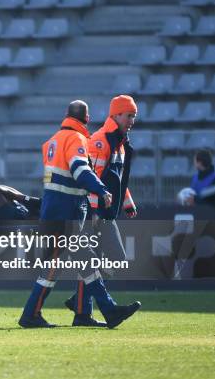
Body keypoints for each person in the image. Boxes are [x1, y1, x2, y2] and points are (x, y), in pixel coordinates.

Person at [18, 100, 141, 329]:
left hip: (54, 211)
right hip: (68, 212)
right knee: (81, 262)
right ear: (86, 119)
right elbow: (80, 170)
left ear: (66, 115)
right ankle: (106, 310)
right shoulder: (76, 139)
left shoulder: (52, 141)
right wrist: (100, 189)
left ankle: (37, 314)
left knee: (63, 267)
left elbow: (51, 179)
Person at [64, 95, 139, 327]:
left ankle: (79, 302)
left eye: (133, 116)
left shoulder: (118, 142)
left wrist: (127, 202)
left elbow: (115, 181)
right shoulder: (101, 141)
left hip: (105, 212)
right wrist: (94, 211)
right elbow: (92, 179)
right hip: (95, 212)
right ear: (116, 115)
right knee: (90, 262)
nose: (132, 121)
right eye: (129, 116)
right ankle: (81, 311)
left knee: (112, 259)